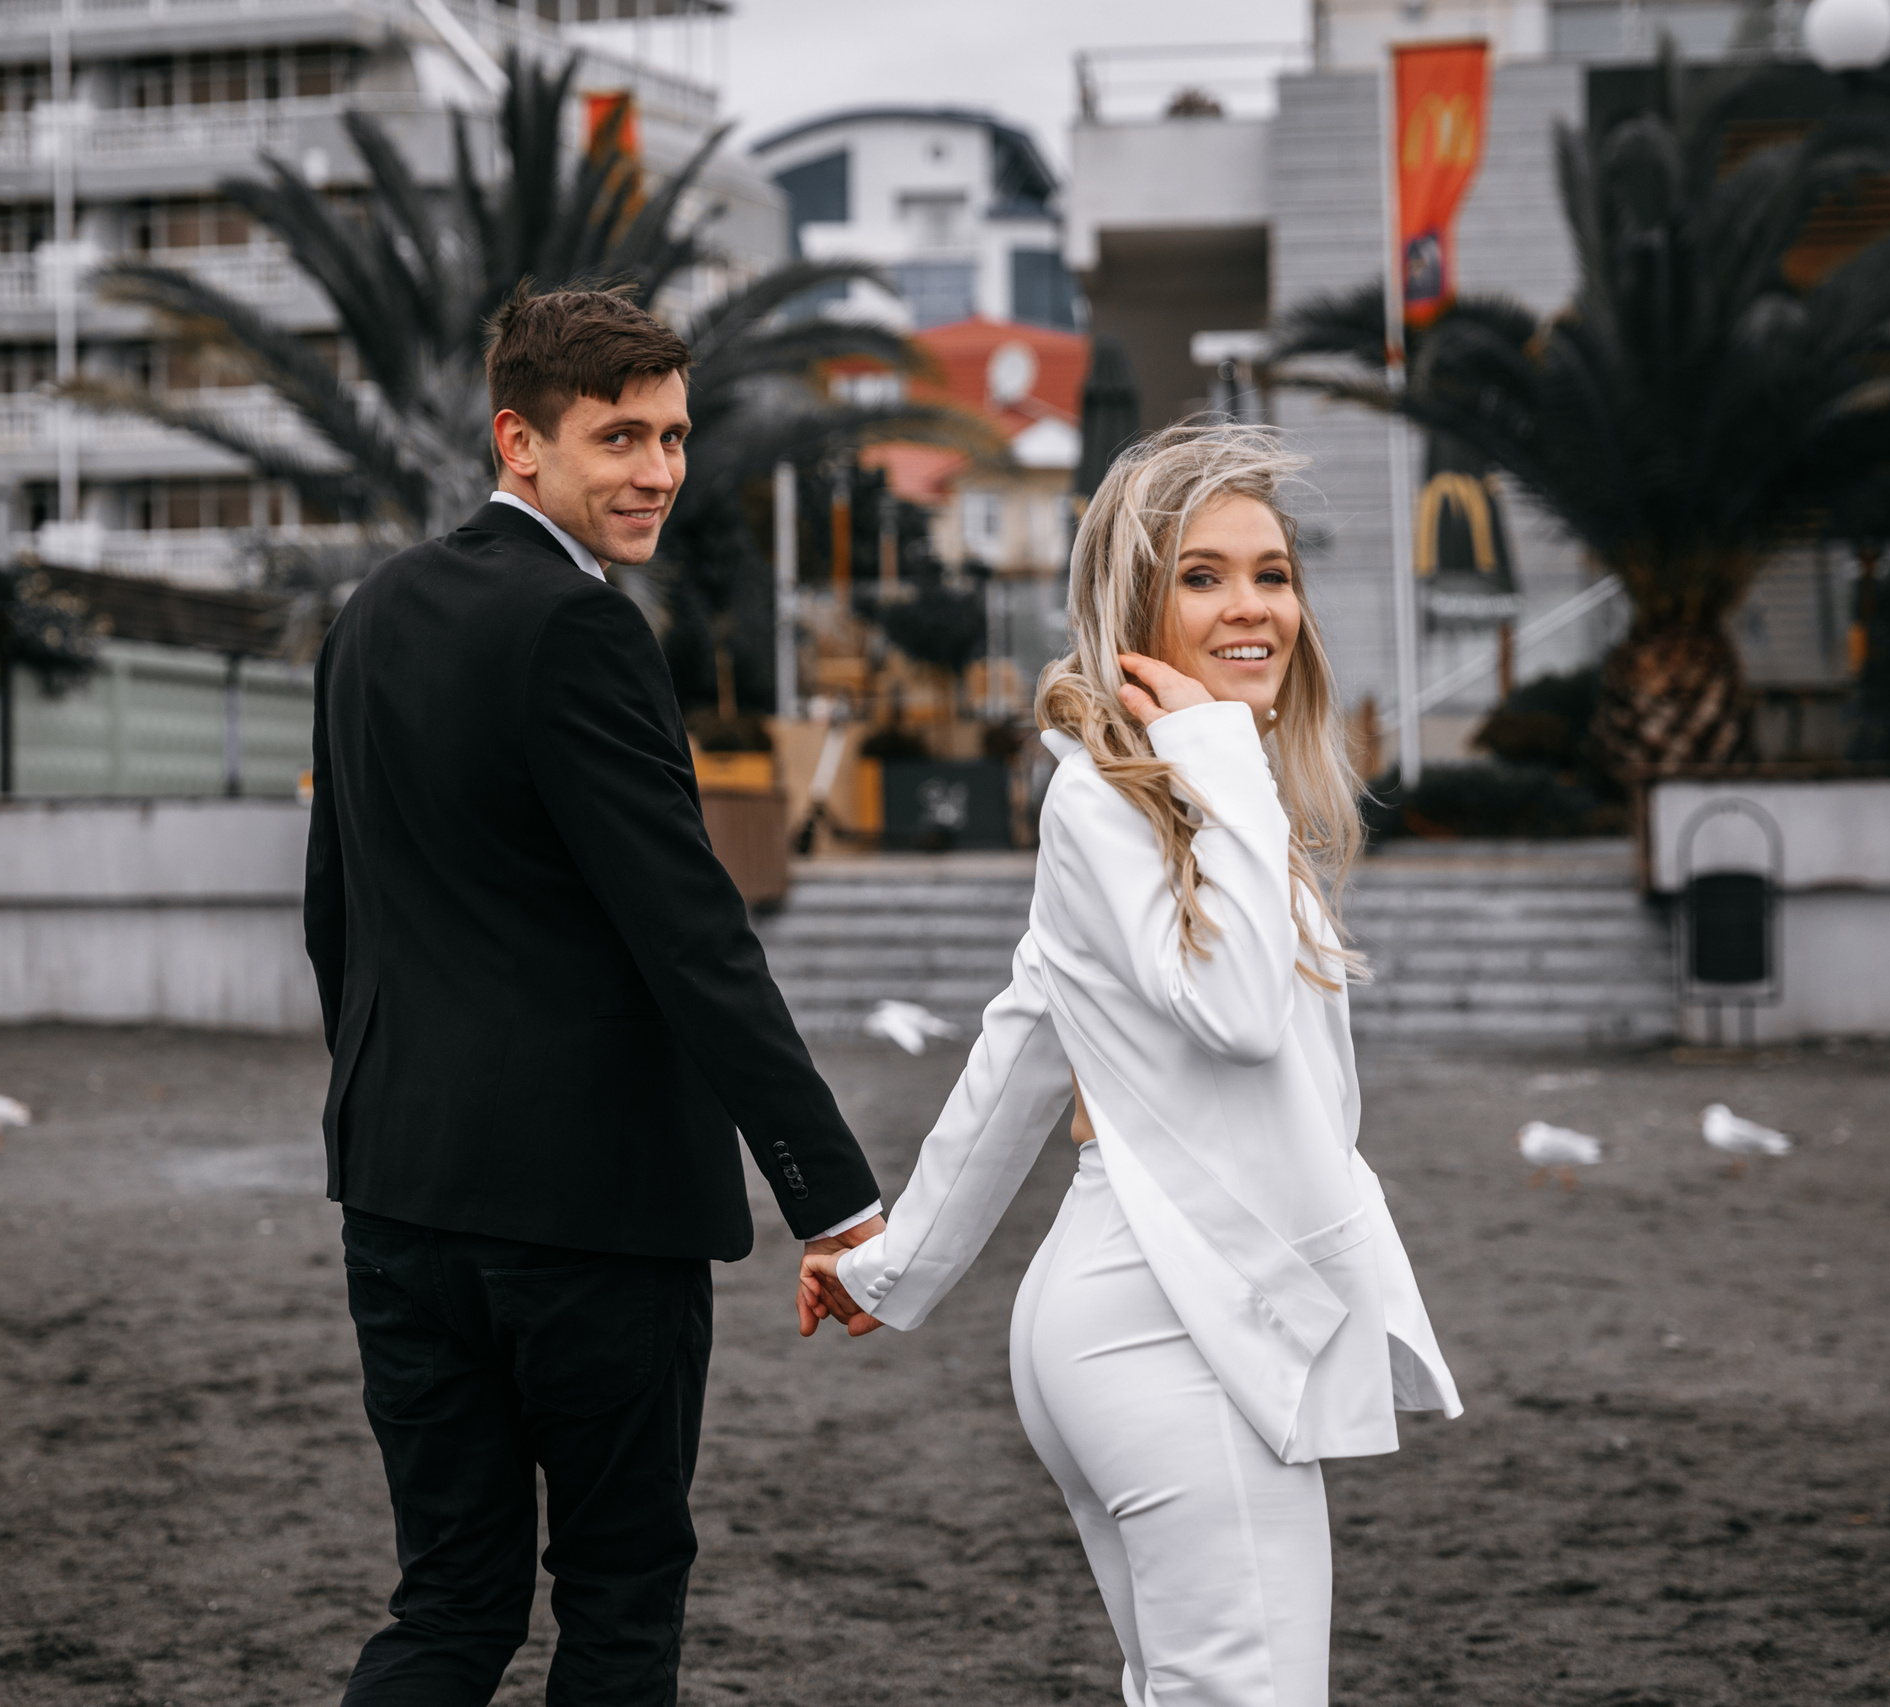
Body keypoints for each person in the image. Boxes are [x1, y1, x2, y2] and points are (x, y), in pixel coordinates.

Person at [800, 423, 1463, 1706]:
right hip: (1167, 1326)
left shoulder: (1162, 792)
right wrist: (1222, 762)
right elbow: (1241, 1017)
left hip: (1140, 1311)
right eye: (1203, 575)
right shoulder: (1123, 793)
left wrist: (895, 1268)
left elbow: (1023, 1045)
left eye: (1271, 572)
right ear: (1133, 599)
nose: (1252, 606)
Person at [303, 286, 885, 1707]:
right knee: (620, 1603)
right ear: (521, 442)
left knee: (450, 1601)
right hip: (586, 1227)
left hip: (397, 1200)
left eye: (675, 436)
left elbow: (334, 915)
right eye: (619, 436)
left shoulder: (369, 611)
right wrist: (834, 1195)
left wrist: (395, 1112)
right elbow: (695, 935)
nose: (659, 471)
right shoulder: (580, 625)